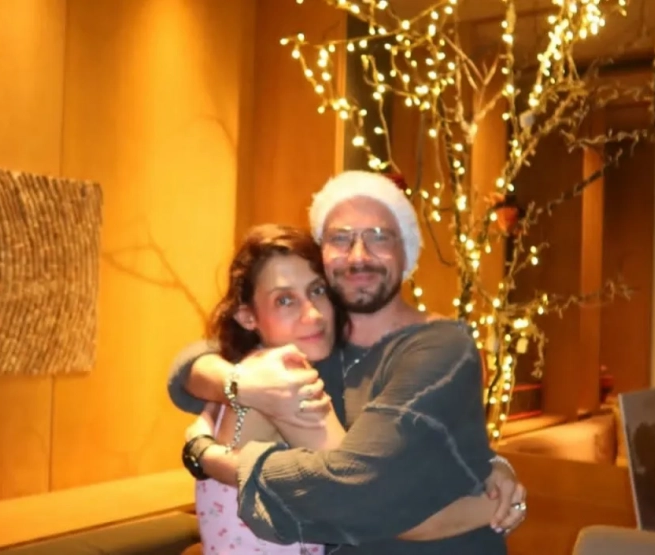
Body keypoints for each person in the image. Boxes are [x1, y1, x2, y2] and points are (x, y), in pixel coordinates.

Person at [174, 171, 527, 554]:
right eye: (341, 238)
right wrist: (234, 387)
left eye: (379, 236)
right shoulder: (295, 360)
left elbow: (361, 493)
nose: (359, 256)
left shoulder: (439, 346)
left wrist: (210, 456)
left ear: (407, 250)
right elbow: (188, 366)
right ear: (323, 255)